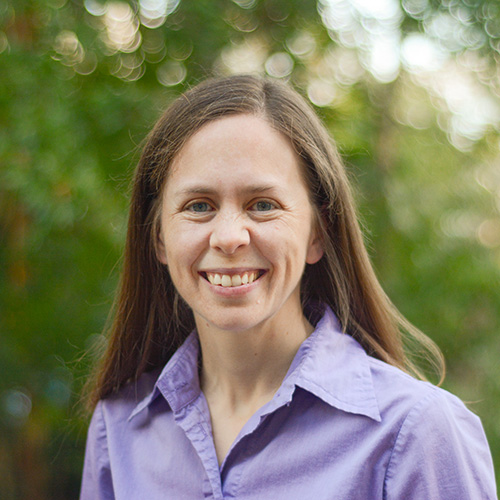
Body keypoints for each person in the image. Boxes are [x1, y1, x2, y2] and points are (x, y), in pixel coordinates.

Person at [80, 74, 497, 499]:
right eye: (199, 206)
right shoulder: (117, 430)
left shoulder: (416, 433)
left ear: (318, 233)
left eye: (263, 205)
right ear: (158, 238)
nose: (229, 237)